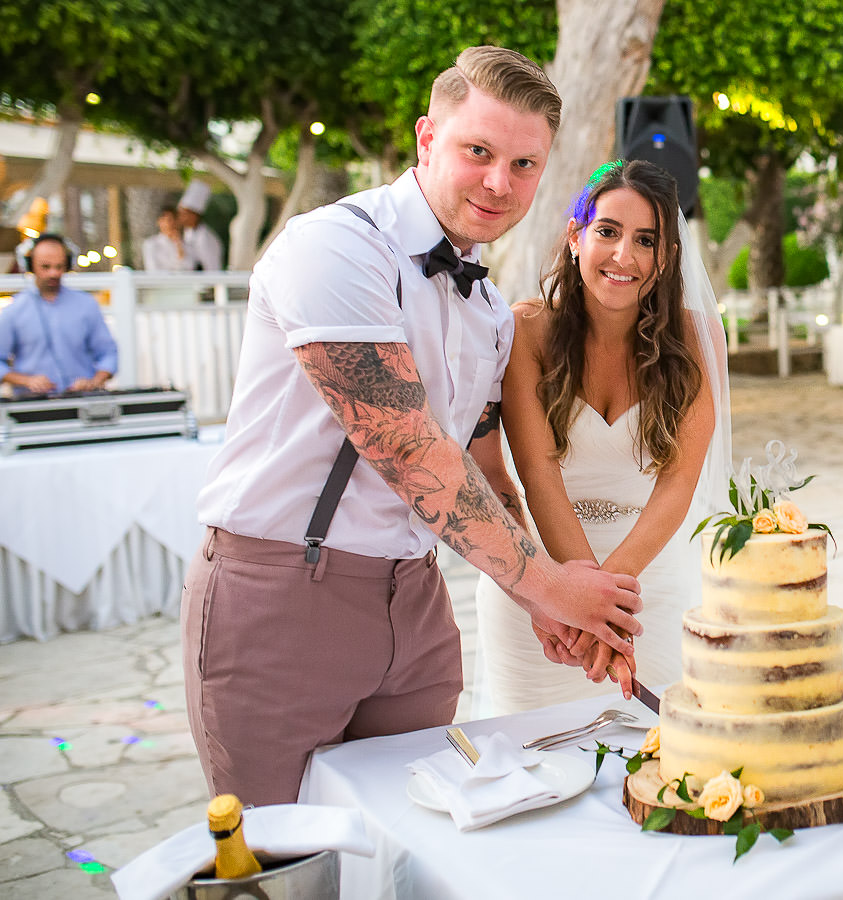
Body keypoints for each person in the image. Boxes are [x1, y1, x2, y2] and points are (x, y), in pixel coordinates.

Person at [182, 46, 643, 807]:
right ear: (428, 138)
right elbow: (403, 444)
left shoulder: (490, 311)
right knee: (276, 864)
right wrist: (550, 584)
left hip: (418, 611)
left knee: (405, 852)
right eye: (479, 152)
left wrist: (537, 600)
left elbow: (487, 471)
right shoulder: (336, 245)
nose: (501, 182)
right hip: (283, 596)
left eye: (525, 165)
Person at [473, 159, 731, 717]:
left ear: (665, 258)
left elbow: (679, 483)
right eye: (607, 232)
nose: (623, 256)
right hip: (542, 583)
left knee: (655, 759)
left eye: (646, 240)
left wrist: (607, 608)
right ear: (575, 236)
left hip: (648, 587)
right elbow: (538, 478)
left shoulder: (699, 338)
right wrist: (576, 601)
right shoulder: (526, 331)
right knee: (531, 766)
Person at [0, 233, 118, 396]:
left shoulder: (86, 305)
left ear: (68, 265)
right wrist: (27, 381)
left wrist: (94, 381)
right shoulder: (14, 310)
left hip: (81, 400)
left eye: (59, 266)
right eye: (46, 267)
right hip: (32, 406)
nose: (53, 273)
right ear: (30, 265)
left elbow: (108, 353)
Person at [177, 180, 223, 271]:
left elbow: (212, 269)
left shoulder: (205, 238)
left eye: (184, 214)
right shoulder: (187, 233)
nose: (180, 217)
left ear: (194, 215)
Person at [140, 205, 192, 271]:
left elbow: (190, 267)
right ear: (159, 222)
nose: (172, 224)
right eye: (168, 220)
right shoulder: (151, 244)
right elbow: (153, 270)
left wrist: (179, 246)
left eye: (174, 220)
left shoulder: (186, 244)